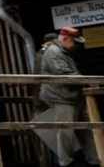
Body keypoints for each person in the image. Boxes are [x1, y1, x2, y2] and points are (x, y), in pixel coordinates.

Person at [31, 27, 98, 167]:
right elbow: (64, 74)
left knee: (87, 129)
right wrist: (87, 81)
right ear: (66, 38)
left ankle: (95, 160)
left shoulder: (62, 52)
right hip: (61, 97)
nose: (76, 45)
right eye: (74, 41)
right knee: (66, 132)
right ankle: (66, 163)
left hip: (71, 97)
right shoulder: (54, 52)